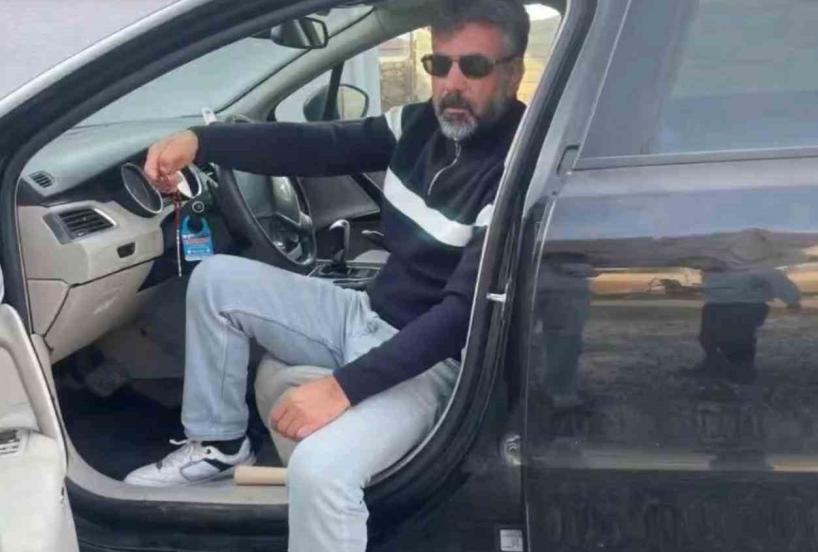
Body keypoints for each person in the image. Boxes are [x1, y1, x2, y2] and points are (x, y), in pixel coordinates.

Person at [124, 0, 530, 550]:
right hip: (364, 315)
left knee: (320, 471)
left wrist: (341, 389)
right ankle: (218, 446)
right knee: (217, 281)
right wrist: (202, 141)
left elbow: (461, 316)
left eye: (474, 67)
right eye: (440, 65)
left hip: (433, 364)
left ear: (513, 71)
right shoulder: (417, 125)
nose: (452, 84)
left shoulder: (515, 167)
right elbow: (319, 146)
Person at [692, 267, 801, 384]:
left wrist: (792, 299)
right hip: (715, 303)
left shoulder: (753, 264)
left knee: (740, 339)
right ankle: (714, 363)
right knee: (707, 337)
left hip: (747, 303)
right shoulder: (715, 262)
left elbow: (775, 278)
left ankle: (743, 370)